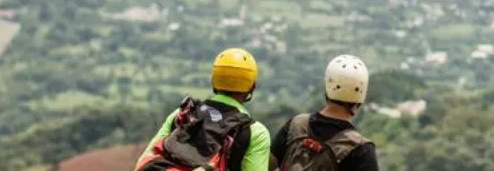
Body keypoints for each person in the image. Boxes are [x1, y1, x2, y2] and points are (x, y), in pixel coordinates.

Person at [134, 47, 272, 171]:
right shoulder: (255, 132)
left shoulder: (184, 114)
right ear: (252, 87)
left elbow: (145, 161)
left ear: (214, 81)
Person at [269, 54, 379, 171]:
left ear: (327, 87)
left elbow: (266, 166)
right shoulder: (360, 150)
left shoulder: (296, 126)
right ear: (361, 97)